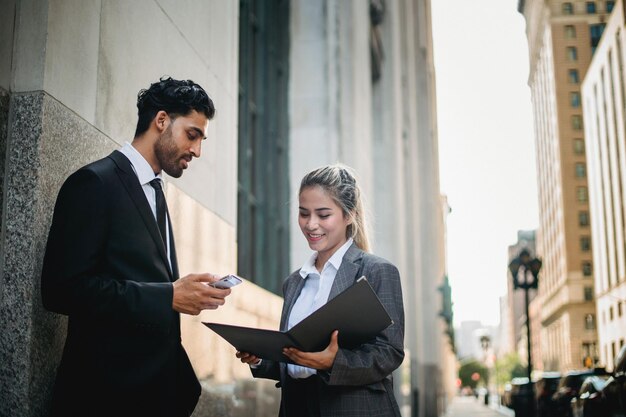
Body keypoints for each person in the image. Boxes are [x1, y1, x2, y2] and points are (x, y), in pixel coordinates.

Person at [41, 76, 232, 417]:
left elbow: (141, 279)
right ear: (161, 121)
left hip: (155, 396)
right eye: (193, 135)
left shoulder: (156, 191)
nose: (197, 151)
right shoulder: (94, 183)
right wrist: (167, 296)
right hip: (104, 397)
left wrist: (183, 290)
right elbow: (61, 290)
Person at [236, 164, 405, 417]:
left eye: (323, 215)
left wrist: (334, 363)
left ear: (348, 215)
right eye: (304, 214)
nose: (311, 224)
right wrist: (261, 358)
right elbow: (294, 359)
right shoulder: (295, 282)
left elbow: (389, 352)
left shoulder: (376, 271)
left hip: (354, 409)